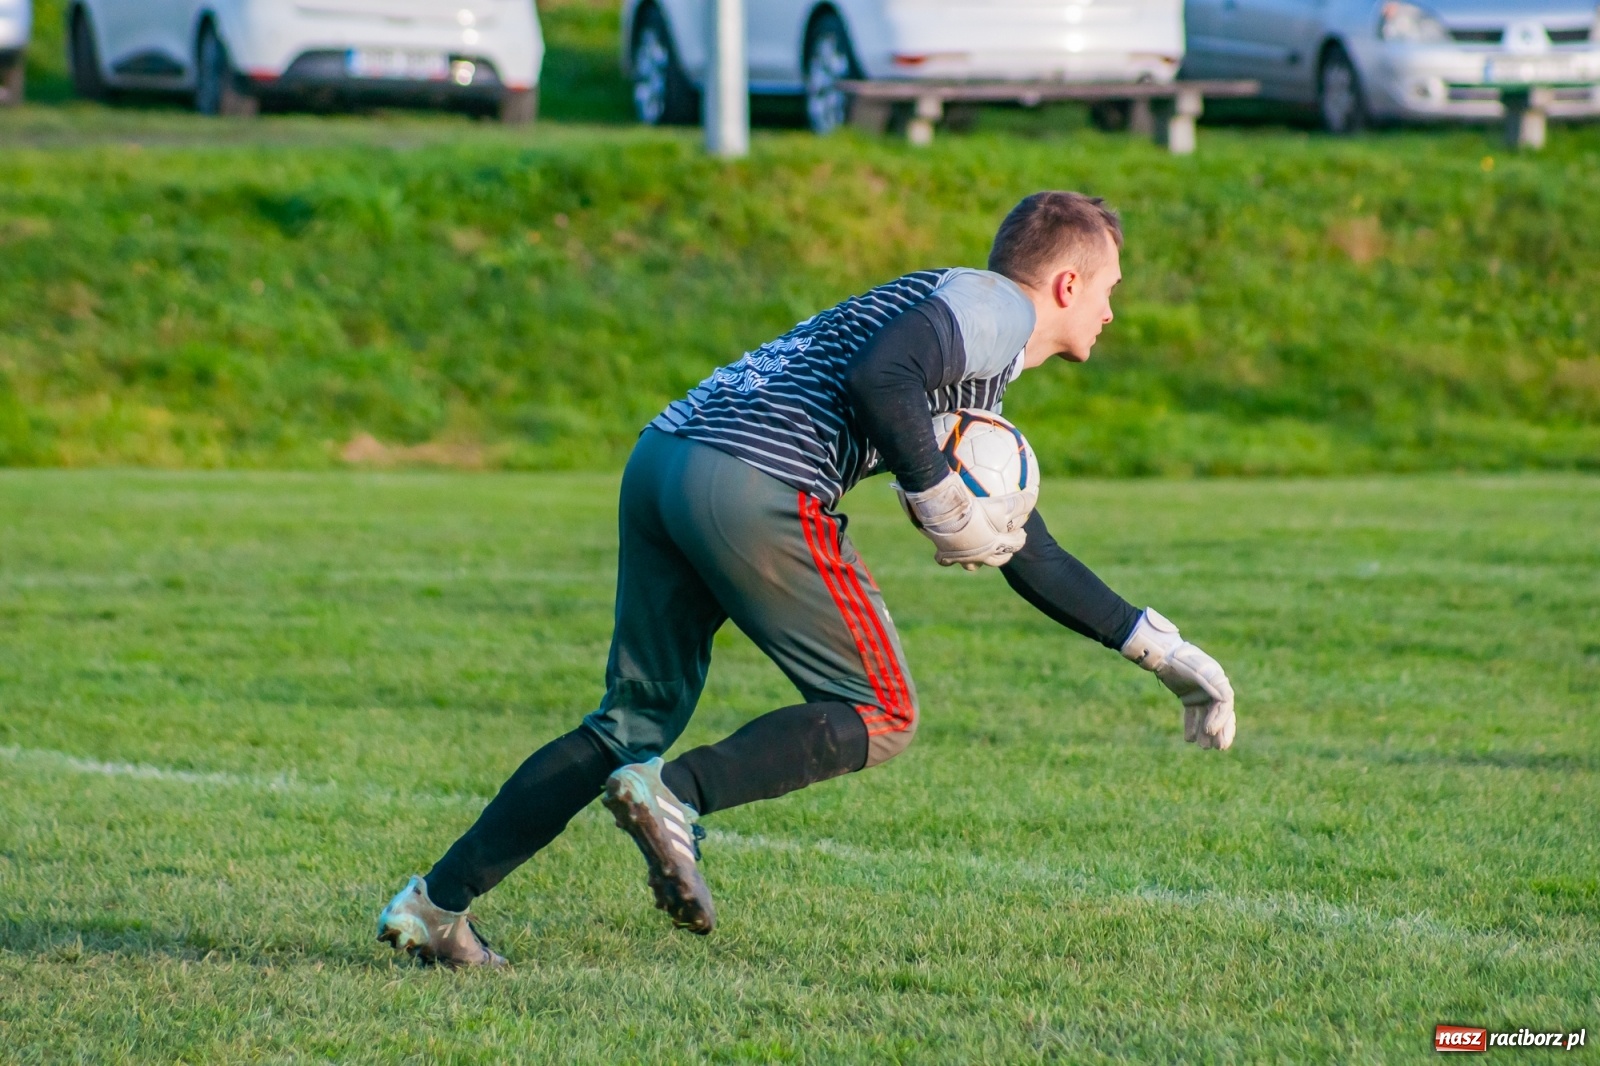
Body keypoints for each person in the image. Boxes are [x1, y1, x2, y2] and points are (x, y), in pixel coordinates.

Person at [375, 191, 1237, 966]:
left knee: (630, 722)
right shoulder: (992, 307)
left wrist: (1160, 650)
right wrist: (935, 493)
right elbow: (879, 380)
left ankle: (435, 905)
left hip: (666, 457)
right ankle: (675, 794)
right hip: (754, 478)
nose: (1113, 311)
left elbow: (1026, 548)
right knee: (883, 711)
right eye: (1110, 288)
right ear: (1064, 284)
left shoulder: (964, 343)